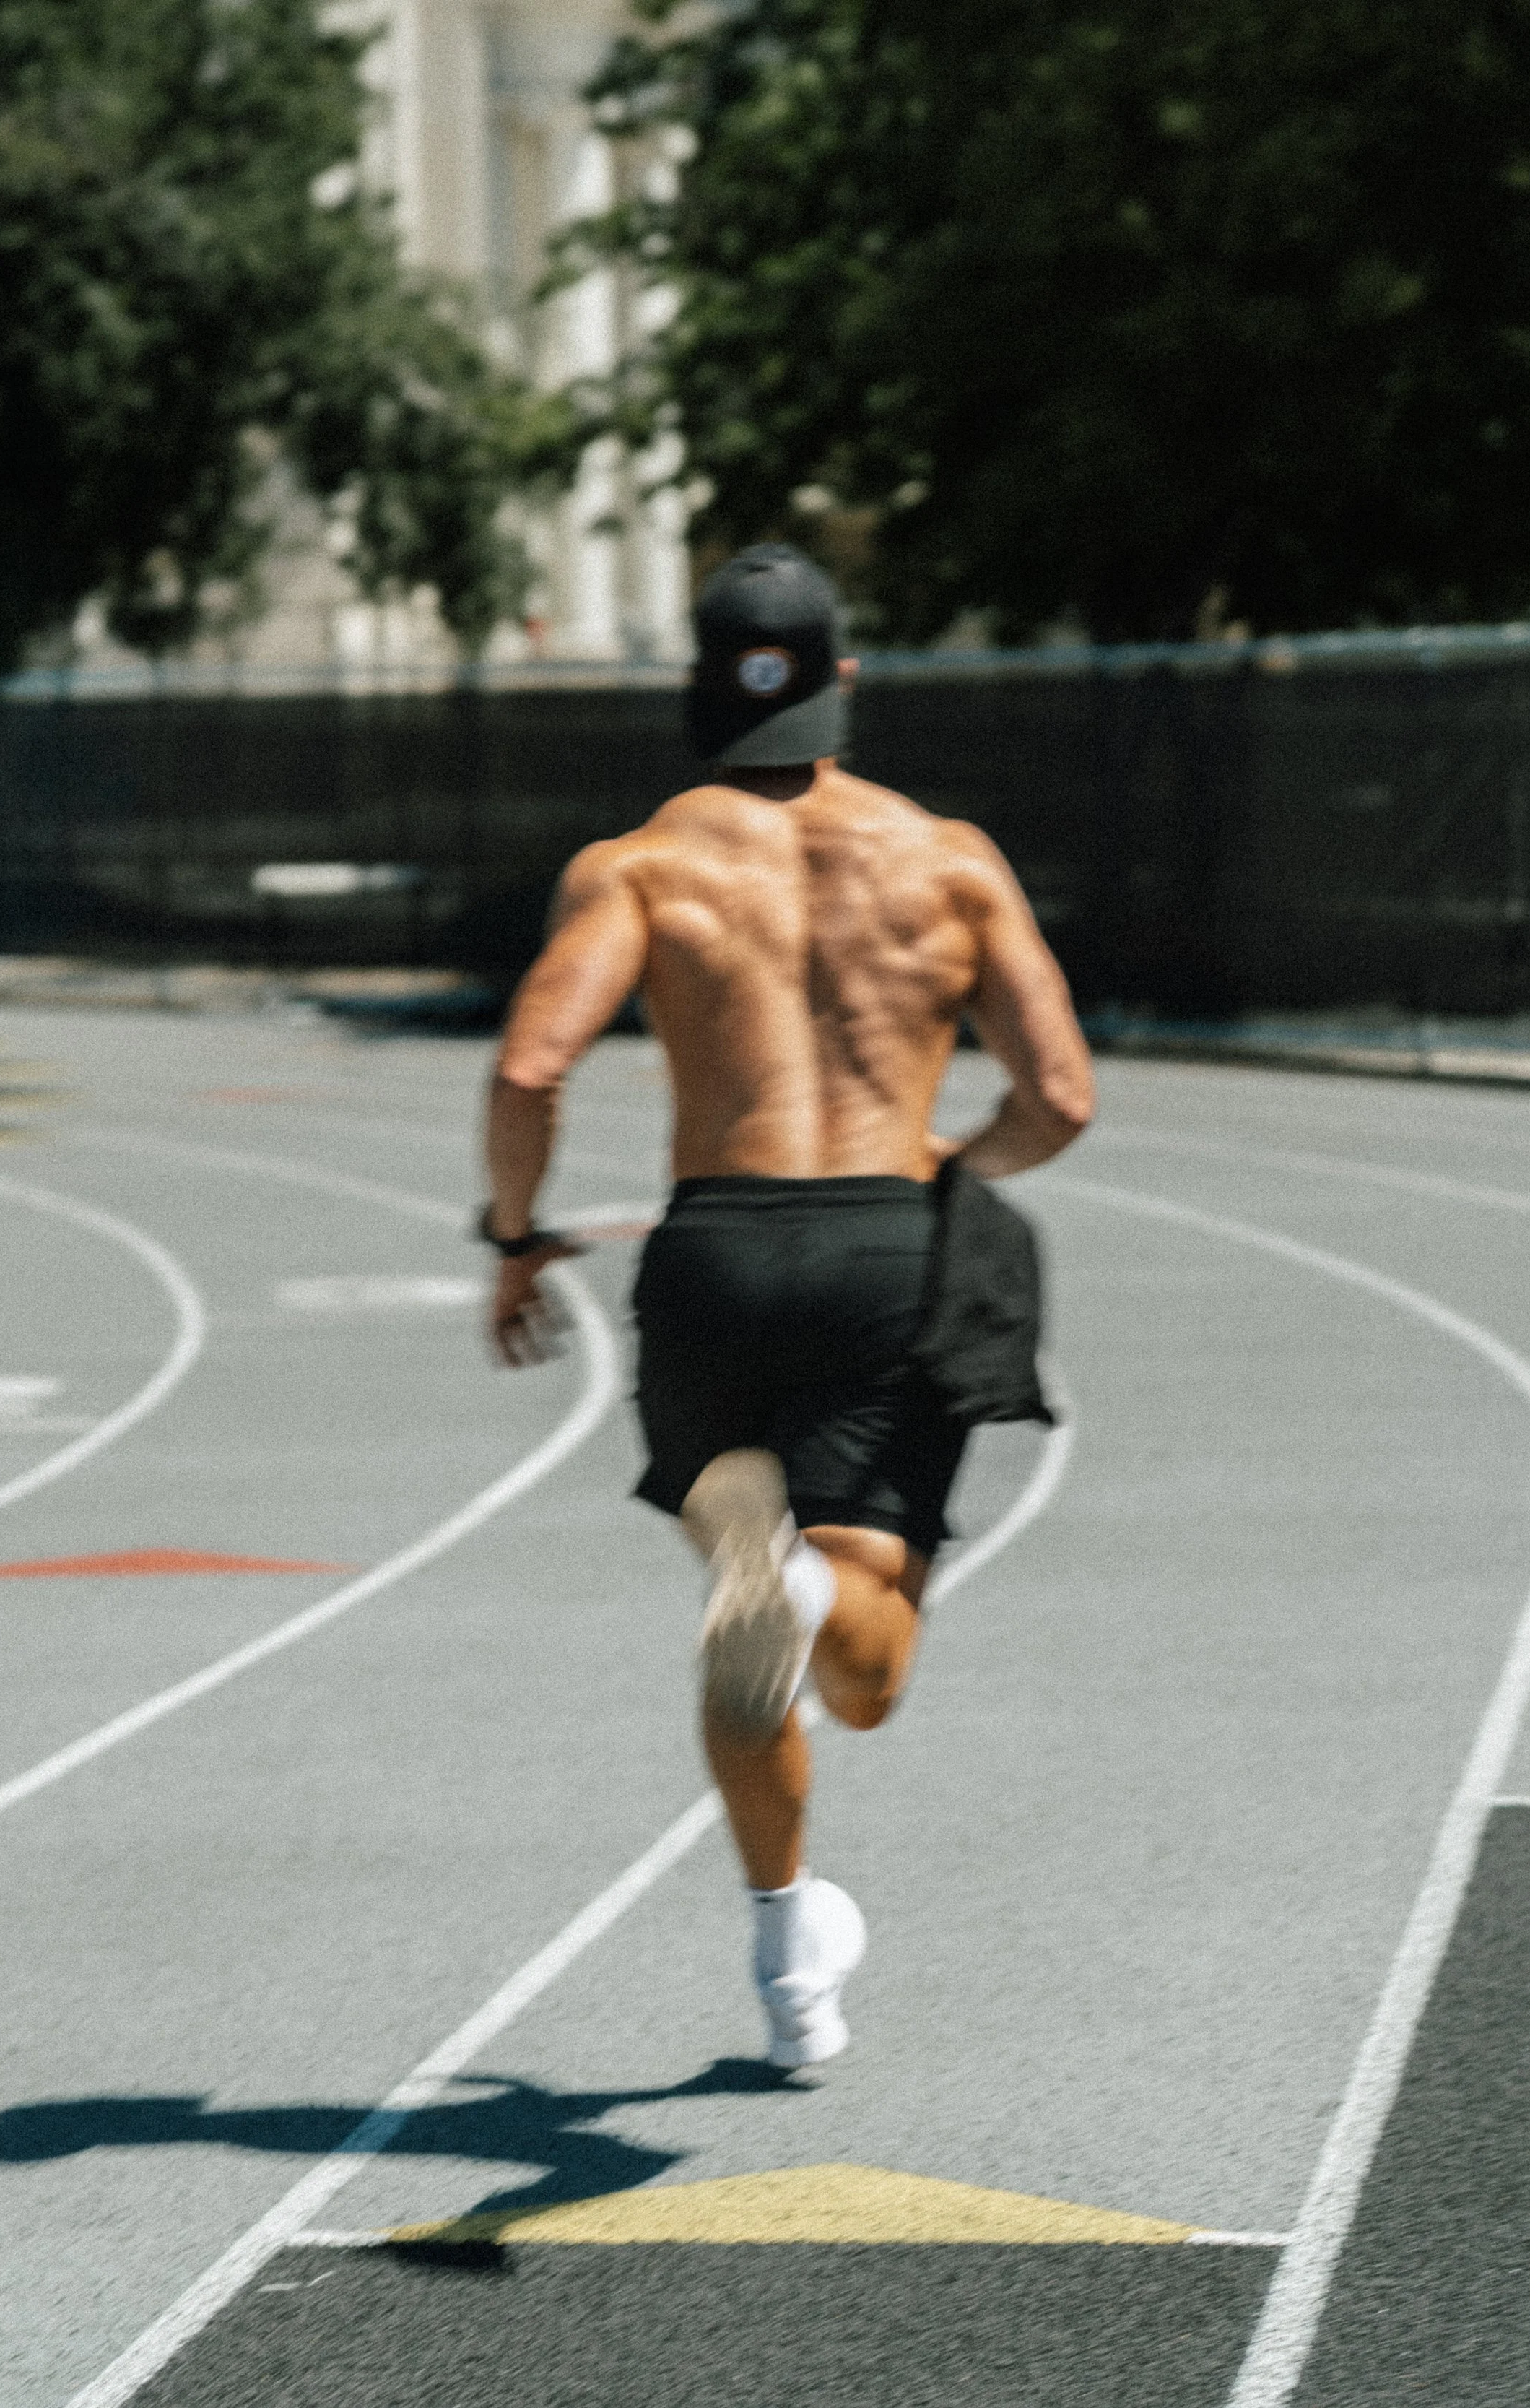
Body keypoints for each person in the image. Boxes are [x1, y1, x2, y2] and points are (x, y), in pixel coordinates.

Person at [479, 543, 1094, 2068]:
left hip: (708, 1257)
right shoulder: (948, 859)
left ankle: (787, 1962)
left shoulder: (636, 864)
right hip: (884, 1249)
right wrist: (956, 1160)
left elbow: (529, 1063)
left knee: (740, 1598)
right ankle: (817, 1599)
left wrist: (511, 1233)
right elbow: (1062, 1096)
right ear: (844, 679)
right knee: (861, 1669)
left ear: (701, 684)